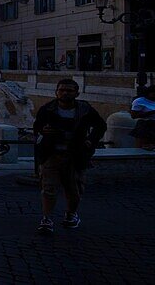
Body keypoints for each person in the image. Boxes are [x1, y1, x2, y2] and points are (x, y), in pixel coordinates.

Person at [33, 78, 107, 234]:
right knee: (48, 188)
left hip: (76, 154)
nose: (65, 93)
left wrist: (90, 140)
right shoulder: (47, 109)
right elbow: (37, 126)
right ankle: (47, 219)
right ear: (56, 92)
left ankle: (71, 214)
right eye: (62, 90)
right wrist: (43, 130)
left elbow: (101, 125)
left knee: (74, 189)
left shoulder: (85, 110)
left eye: (69, 90)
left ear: (77, 93)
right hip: (51, 154)